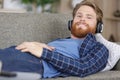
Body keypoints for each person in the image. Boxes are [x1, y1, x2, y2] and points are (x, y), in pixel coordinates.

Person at [0, 0, 119, 78]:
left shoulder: (99, 48)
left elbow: (83, 68)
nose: (82, 19)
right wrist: (37, 45)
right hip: (19, 53)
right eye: (79, 15)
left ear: (99, 26)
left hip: (35, 63)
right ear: (71, 22)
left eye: (89, 17)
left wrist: (43, 52)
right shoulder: (62, 41)